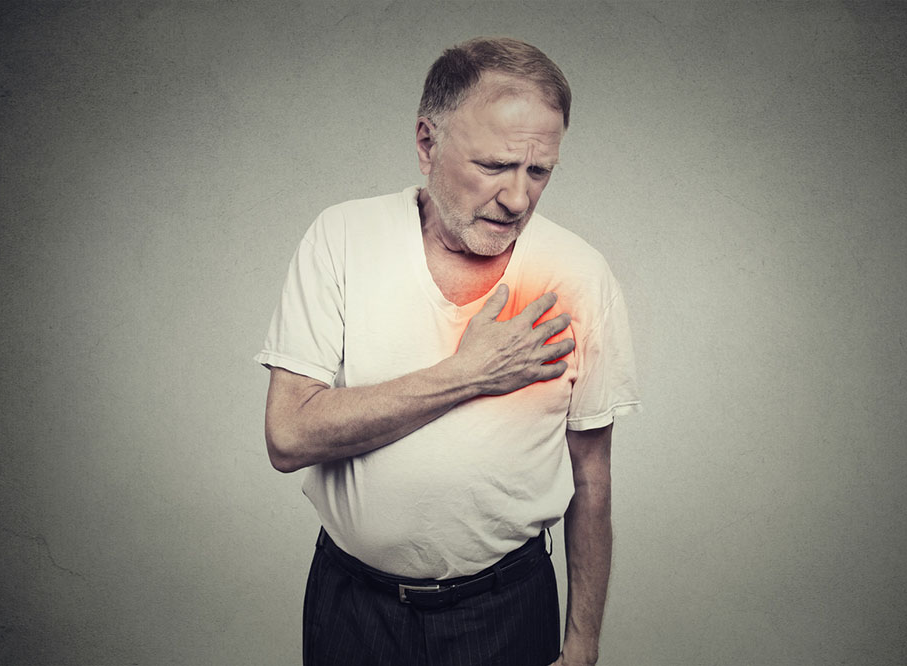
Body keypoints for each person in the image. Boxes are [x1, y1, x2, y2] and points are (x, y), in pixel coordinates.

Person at [255, 37, 640, 666]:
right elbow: (288, 438)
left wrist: (583, 646)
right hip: (352, 605)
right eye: (494, 166)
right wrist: (469, 374)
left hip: (505, 609)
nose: (518, 198)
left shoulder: (578, 276)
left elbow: (591, 480)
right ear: (427, 142)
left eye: (538, 171)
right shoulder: (342, 238)